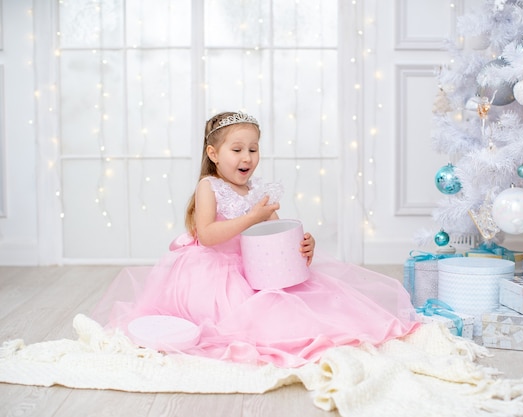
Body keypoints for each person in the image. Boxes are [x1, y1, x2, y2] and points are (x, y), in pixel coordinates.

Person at [92, 111, 419, 368]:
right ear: (214, 153)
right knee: (246, 323)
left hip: (258, 269)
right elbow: (206, 235)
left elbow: (275, 234)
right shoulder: (209, 186)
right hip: (212, 272)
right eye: (236, 150)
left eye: (253, 149)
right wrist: (250, 217)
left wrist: (303, 245)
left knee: (306, 307)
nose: (246, 157)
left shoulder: (258, 189)